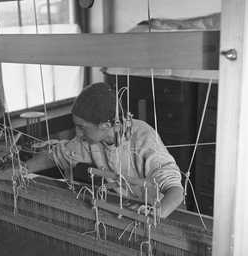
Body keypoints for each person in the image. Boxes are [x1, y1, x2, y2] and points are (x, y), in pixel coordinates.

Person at [22, 82, 184, 219]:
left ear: (106, 126)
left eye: (82, 127)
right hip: (130, 207)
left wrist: (154, 215)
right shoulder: (90, 139)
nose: (78, 133)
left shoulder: (143, 138)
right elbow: (55, 157)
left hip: (165, 211)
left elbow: (175, 190)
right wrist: (21, 169)